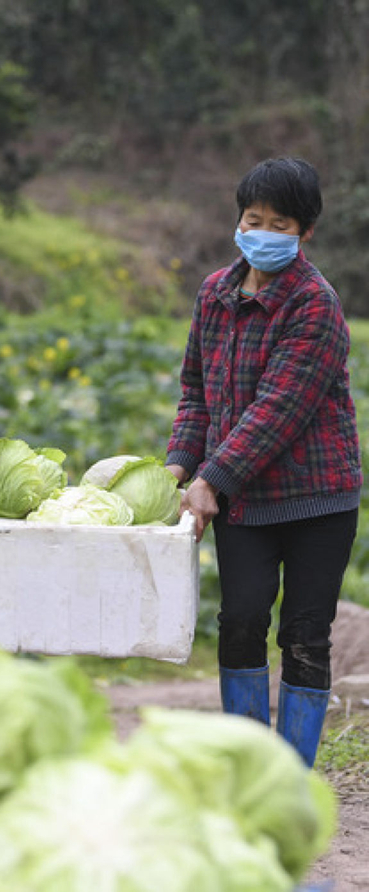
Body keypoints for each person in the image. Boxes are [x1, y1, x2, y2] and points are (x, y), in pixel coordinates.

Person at [166, 157, 362, 767]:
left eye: (281, 225)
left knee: (304, 635)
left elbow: (279, 409)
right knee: (241, 622)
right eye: (255, 220)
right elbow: (197, 391)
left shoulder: (314, 303)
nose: (264, 233)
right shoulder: (215, 293)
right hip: (245, 500)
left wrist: (211, 478)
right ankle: (250, 769)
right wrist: (178, 466)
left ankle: (293, 775)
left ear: (305, 232)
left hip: (317, 499)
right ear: (239, 221)